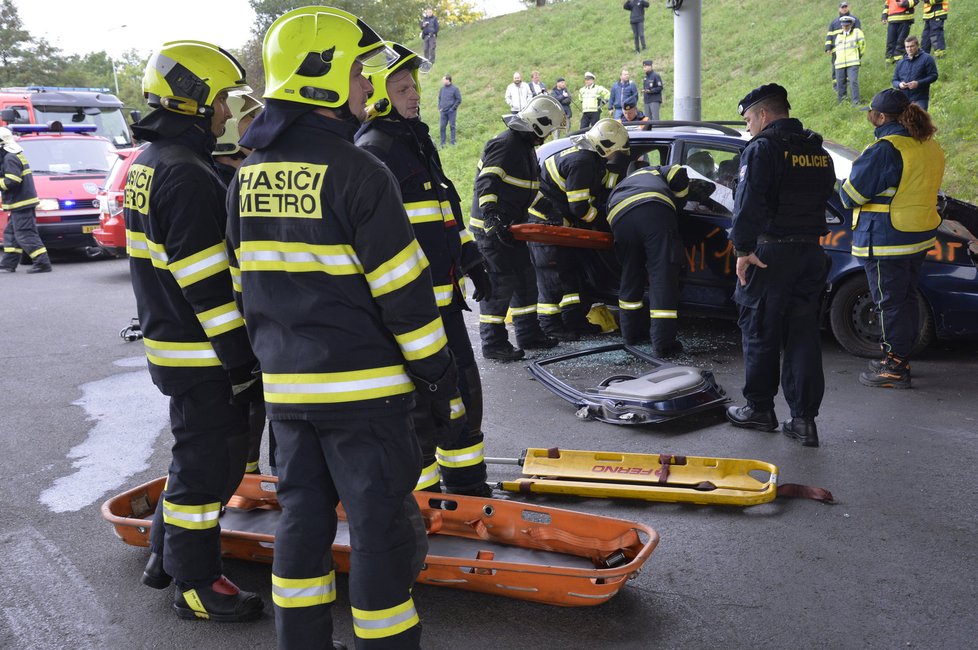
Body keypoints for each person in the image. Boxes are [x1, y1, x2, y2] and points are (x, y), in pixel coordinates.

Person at [226, 7, 456, 647]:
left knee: (301, 522)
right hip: (366, 396)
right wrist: (439, 381)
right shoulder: (359, 171)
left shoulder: (247, 175)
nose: (367, 84)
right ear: (319, 77)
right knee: (379, 530)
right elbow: (405, 296)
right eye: (357, 71)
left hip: (290, 395)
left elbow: (244, 286)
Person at [125, 40, 264, 621]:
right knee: (209, 470)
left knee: (195, 458)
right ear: (194, 100)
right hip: (204, 355)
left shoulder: (153, 163)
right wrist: (242, 365)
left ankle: (165, 556)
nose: (229, 113)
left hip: (175, 347)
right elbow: (208, 287)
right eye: (222, 102)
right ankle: (197, 585)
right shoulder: (186, 176)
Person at [356, 42, 492, 498]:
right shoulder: (375, 150)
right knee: (424, 408)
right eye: (401, 88)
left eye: (413, 85)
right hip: (412, 311)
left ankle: (468, 490)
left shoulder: (415, 140)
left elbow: (445, 212)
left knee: (463, 397)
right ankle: (424, 505)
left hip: (444, 301)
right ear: (378, 95)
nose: (413, 94)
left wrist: (471, 258)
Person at [724, 83, 836, 449]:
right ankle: (804, 421)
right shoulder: (817, 151)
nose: (748, 128)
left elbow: (749, 203)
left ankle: (759, 409)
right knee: (803, 337)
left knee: (759, 331)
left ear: (765, 115)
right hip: (809, 255)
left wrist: (742, 248)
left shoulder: (763, 149)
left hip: (769, 255)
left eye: (749, 120)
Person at [840, 88, 944, 389]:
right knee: (905, 300)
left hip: (888, 239)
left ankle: (894, 368)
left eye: (871, 112)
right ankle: (899, 357)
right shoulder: (927, 146)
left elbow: (850, 195)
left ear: (880, 116)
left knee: (890, 303)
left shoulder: (885, 149)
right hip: (917, 237)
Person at [469, 94, 567, 361]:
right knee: (498, 285)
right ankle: (493, 344)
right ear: (539, 124)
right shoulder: (505, 144)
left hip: (511, 229)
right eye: (548, 131)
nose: (547, 137)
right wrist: (491, 216)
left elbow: (528, 192)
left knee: (525, 281)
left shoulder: (524, 149)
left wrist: (548, 210)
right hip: (491, 231)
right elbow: (486, 182)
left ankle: (528, 334)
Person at [210, 93, 274, 477]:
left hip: (246, 319)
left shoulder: (236, 179)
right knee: (248, 408)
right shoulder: (226, 184)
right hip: (236, 324)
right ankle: (245, 481)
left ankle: (251, 477)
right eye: (251, 119)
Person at [529, 118, 629, 340]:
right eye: (617, 151)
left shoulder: (592, 158)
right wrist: (603, 222)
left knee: (570, 275)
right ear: (606, 147)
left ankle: (573, 321)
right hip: (544, 226)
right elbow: (580, 207)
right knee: (552, 277)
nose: (617, 156)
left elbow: (601, 191)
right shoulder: (581, 161)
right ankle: (549, 325)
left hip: (561, 225)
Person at [606, 163, 690, 353]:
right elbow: (679, 172)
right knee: (662, 277)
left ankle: (631, 335)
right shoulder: (656, 170)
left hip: (619, 216)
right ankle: (663, 344)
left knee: (630, 275)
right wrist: (680, 203)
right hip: (653, 210)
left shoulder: (625, 182)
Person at [0, 128, 51, 273]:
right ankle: (9, 263)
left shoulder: (10, 157)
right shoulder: (13, 154)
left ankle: (42, 263)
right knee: (11, 234)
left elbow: (12, 181)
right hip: (19, 203)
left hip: (21, 202)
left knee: (25, 233)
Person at [892, 36, 938, 109]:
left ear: (917, 45)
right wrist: (900, 84)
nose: (909, 49)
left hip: (920, 98)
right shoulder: (900, 62)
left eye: (912, 46)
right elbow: (894, 80)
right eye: (907, 47)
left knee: (920, 120)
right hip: (903, 99)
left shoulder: (927, 58)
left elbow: (934, 75)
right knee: (903, 120)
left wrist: (918, 83)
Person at [825, 2, 862, 87]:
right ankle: (836, 86)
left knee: (849, 68)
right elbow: (829, 35)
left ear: (848, 7)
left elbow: (859, 35)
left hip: (850, 50)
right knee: (835, 68)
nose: (844, 8)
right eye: (842, 7)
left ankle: (847, 84)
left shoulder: (854, 20)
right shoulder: (834, 22)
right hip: (836, 51)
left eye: (845, 6)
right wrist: (828, 48)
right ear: (839, 8)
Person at [833, 15, 865, 105]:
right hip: (839, 64)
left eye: (847, 25)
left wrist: (858, 56)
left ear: (851, 25)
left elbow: (862, 46)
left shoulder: (857, 32)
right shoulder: (838, 36)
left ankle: (856, 102)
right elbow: (836, 50)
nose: (845, 27)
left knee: (853, 81)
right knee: (840, 84)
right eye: (843, 25)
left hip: (853, 62)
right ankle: (842, 103)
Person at [438, 74, 461, 146]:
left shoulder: (455, 89)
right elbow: (439, 98)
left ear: (448, 80)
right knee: (442, 127)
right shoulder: (442, 89)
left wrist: (452, 108)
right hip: (443, 112)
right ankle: (442, 143)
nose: (442, 81)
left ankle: (453, 142)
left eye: (443, 80)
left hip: (451, 112)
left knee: (452, 126)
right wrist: (439, 107)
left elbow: (459, 99)